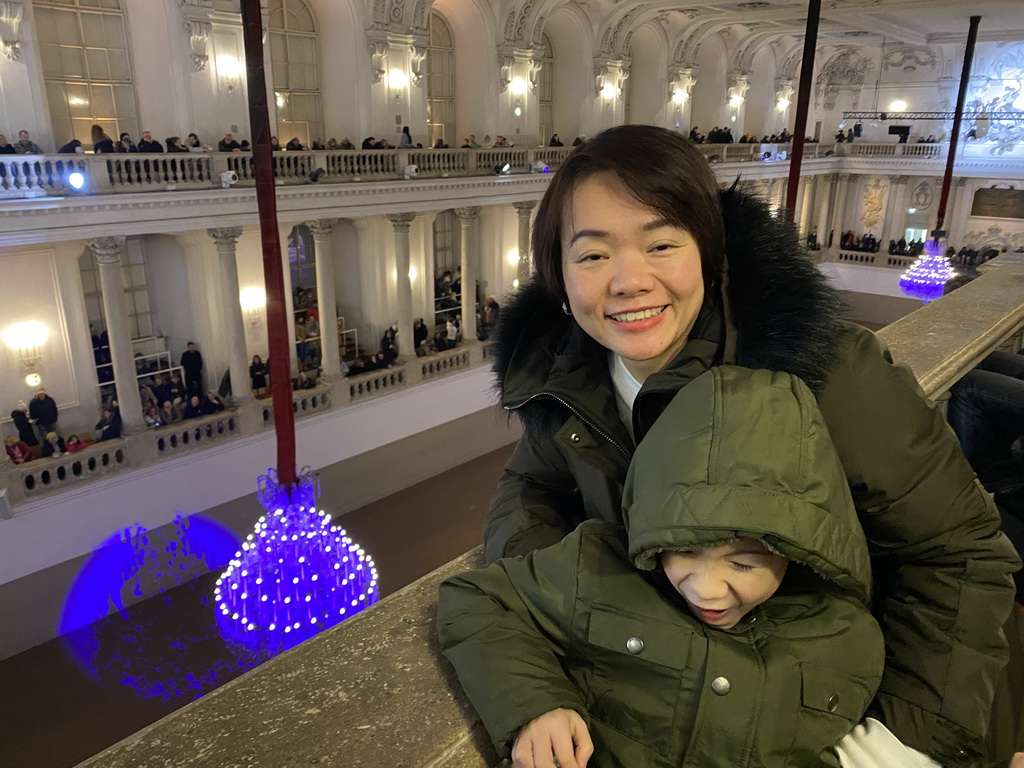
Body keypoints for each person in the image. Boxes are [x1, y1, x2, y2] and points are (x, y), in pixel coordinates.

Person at [482, 124, 1019, 767]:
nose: (628, 281)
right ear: (559, 279)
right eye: (592, 255)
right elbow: (529, 486)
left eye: (660, 243)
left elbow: (958, 554)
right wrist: (558, 610)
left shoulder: (826, 371)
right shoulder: (574, 378)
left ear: (709, 253)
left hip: (858, 705)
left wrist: (896, 744)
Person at [440, 367, 893, 768]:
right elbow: (476, 598)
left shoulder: (848, 640)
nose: (707, 589)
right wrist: (534, 705)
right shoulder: (595, 569)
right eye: (683, 552)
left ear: (796, 550)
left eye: (742, 563)